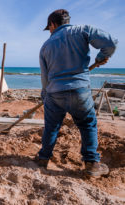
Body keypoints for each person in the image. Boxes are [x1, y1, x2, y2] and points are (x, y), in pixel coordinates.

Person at [37, 9, 117, 177]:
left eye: (49, 28)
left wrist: (46, 96)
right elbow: (111, 42)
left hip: (55, 92)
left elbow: (45, 78)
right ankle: (91, 164)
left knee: (51, 127)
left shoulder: (45, 46)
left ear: (53, 24)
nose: (50, 31)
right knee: (87, 125)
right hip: (79, 90)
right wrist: (101, 57)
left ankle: (43, 159)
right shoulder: (82, 30)